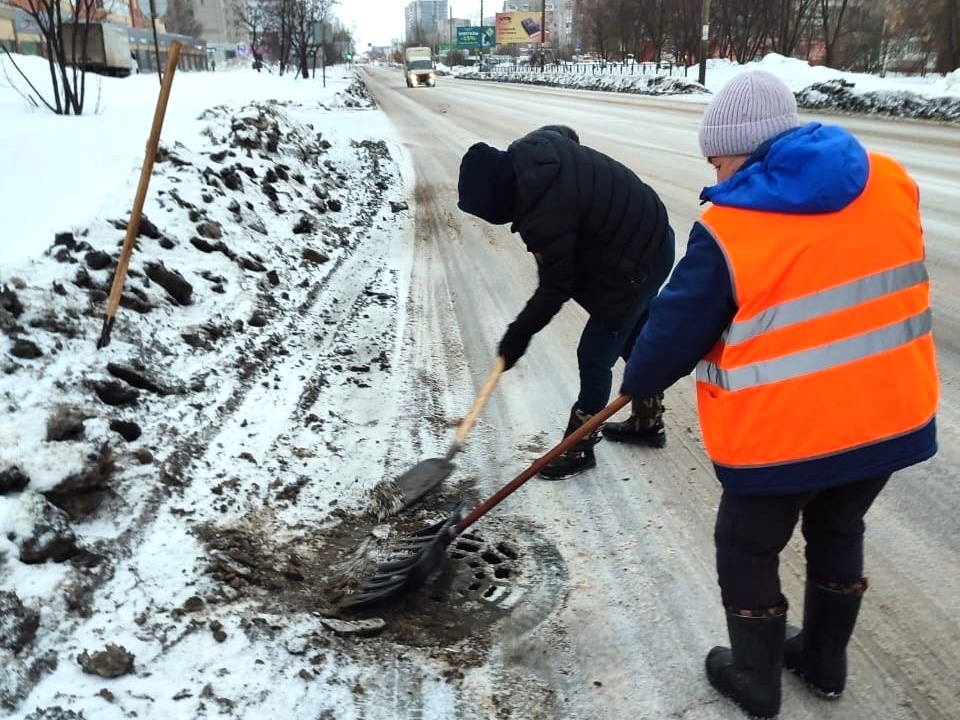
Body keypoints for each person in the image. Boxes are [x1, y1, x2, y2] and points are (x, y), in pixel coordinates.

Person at [619, 70, 939, 718]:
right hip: (890, 414)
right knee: (839, 523)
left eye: (717, 154)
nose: (713, 167)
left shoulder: (733, 226)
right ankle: (824, 659)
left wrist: (639, 382)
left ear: (747, 144)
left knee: (746, 544)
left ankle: (756, 678)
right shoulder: (887, 176)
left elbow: (671, 332)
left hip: (786, 438)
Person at [456, 125, 676, 479]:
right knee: (631, 333)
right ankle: (647, 421)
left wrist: (519, 333)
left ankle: (578, 446)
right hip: (652, 232)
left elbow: (557, 285)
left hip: (639, 258)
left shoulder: (543, 210)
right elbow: (566, 133)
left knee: (595, 353)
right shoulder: (532, 150)